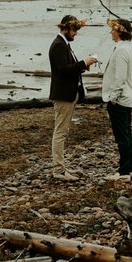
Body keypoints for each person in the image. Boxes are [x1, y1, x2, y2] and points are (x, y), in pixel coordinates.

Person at [48, 14, 97, 180]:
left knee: (63, 131)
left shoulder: (64, 44)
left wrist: (83, 67)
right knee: (60, 132)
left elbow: (69, 68)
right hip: (63, 95)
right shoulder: (58, 45)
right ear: (66, 28)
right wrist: (84, 62)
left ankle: (61, 167)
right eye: (74, 30)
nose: (76, 33)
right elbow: (63, 70)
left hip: (69, 94)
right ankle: (59, 170)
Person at [101, 16, 132, 182]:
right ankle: (129, 169)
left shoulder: (122, 50)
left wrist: (112, 98)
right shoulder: (128, 48)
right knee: (126, 134)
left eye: (113, 30)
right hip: (126, 97)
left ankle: (123, 172)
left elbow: (120, 77)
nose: (111, 32)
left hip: (120, 99)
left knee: (122, 135)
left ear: (119, 32)